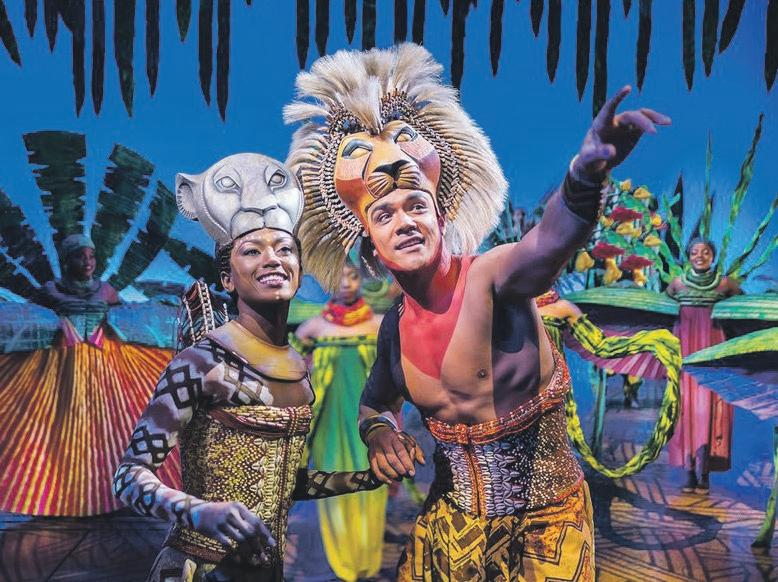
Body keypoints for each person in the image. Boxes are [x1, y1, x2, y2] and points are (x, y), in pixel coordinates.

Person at [285, 43, 670, 581]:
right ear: (370, 244)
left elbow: (546, 244)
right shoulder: (394, 327)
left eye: (417, 205)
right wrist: (380, 433)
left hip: (548, 530)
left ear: (441, 216)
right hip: (449, 529)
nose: (405, 222)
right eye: (385, 214)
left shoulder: (491, 278)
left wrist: (584, 175)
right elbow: (374, 403)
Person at [113, 153, 382, 581]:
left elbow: (283, 484)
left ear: (298, 269)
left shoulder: (299, 369)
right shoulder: (200, 363)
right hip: (199, 568)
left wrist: (366, 478)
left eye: (285, 249)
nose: (272, 259)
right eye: (252, 251)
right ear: (227, 278)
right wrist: (198, 510)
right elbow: (129, 477)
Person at [293, 261, 386, 582]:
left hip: (370, 422)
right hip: (329, 425)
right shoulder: (314, 328)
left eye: (353, 276)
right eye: (339, 276)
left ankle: (367, 564)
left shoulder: (379, 325)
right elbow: (290, 370)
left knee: (372, 484)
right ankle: (342, 566)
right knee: (335, 486)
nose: (346, 283)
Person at [666, 238, 741, 493]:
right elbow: (662, 310)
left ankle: (705, 472)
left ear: (713, 256)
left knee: (710, 410)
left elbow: (742, 308)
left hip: (713, 354)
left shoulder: (724, 284)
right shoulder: (677, 284)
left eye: (706, 252)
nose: (700, 256)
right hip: (685, 354)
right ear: (688, 256)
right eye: (695, 252)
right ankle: (689, 472)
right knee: (686, 409)